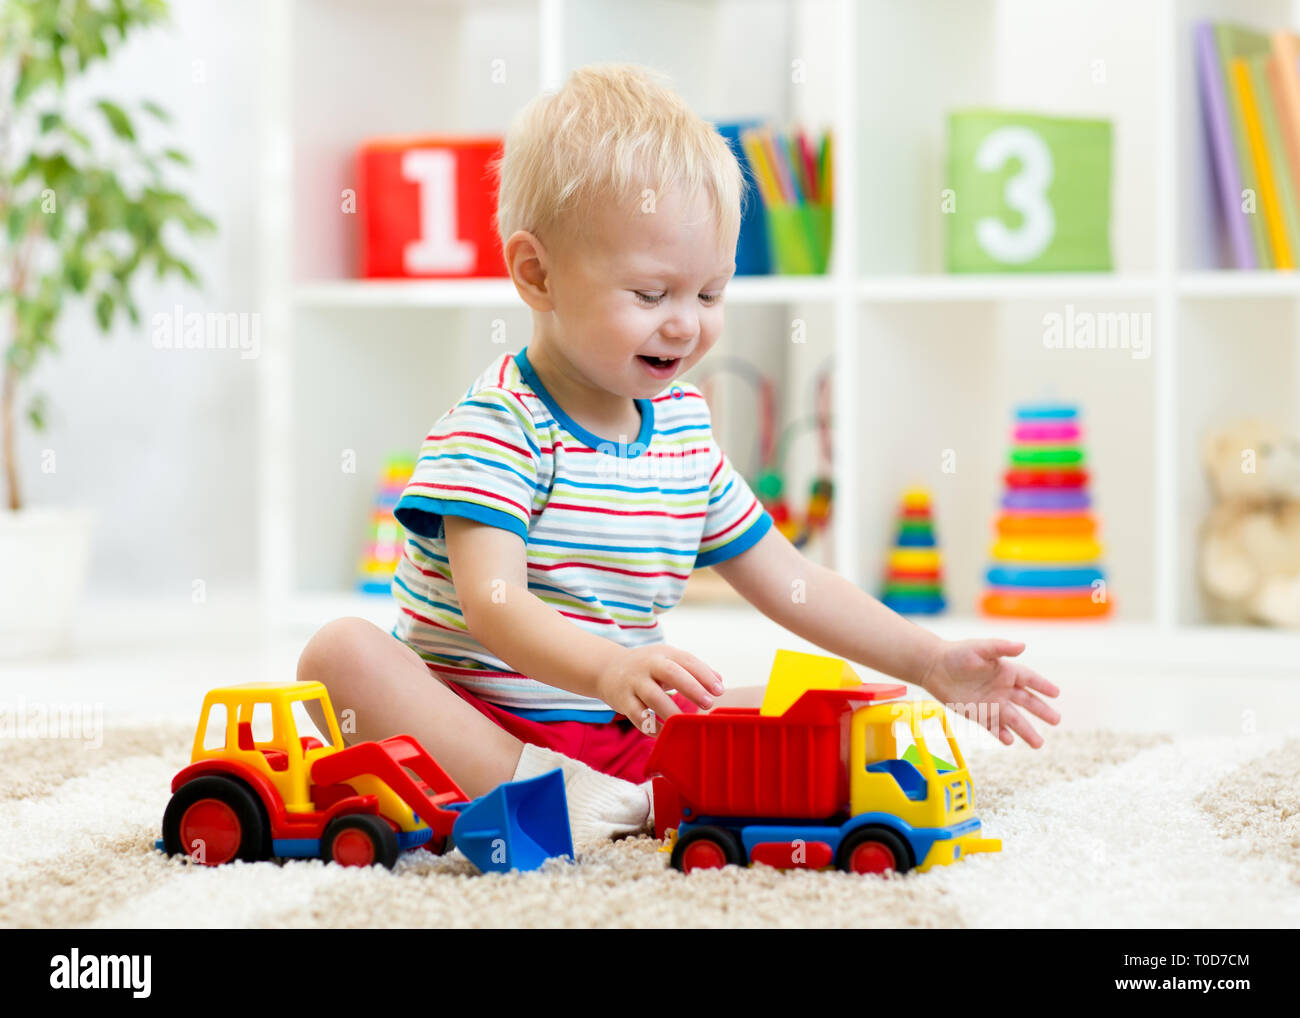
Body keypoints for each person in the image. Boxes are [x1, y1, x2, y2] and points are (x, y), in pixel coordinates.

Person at [298, 63, 1059, 849]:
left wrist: (930, 662)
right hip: (473, 720)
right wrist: (605, 670)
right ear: (537, 274)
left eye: (710, 294)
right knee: (341, 655)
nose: (685, 325)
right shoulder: (499, 426)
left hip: (624, 722)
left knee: (827, 701)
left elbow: (793, 583)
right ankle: (534, 794)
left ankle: (615, 797)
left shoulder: (684, 431)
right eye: (651, 294)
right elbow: (493, 603)